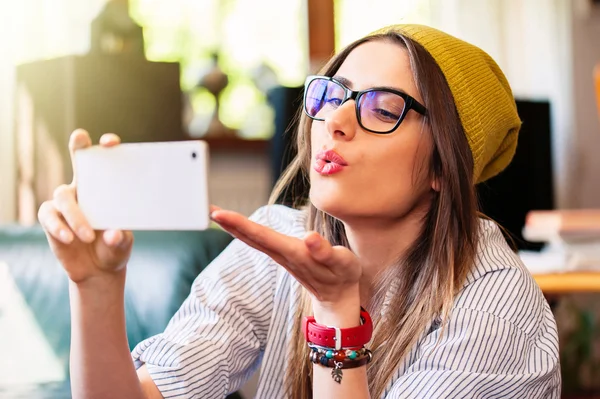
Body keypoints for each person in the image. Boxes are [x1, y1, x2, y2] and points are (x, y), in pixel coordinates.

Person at [38, 24, 561, 398]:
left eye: (381, 108)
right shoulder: (277, 246)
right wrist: (95, 287)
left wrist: (336, 314)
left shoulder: (496, 308)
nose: (334, 120)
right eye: (330, 95)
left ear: (444, 168)